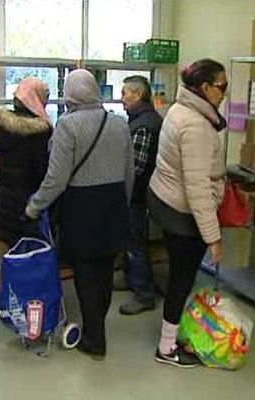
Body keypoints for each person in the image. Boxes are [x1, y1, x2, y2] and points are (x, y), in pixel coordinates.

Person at [25, 69, 134, 360]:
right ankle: (96, 330)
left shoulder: (67, 125)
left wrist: (34, 206)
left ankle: (94, 339)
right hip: (113, 205)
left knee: (85, 275)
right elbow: (129, 173)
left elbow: (56, 179)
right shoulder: (120, 124)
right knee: (105, 271)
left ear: (70, 93)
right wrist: (122, 205)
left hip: (82, 208)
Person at [148, 59, 227, 368]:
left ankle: (172, 334)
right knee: (181, 279)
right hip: (182, 211)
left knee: (178, 275)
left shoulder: (179, 110)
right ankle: (166, 348)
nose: (223, 93)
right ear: (204, 87)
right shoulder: (196, 126)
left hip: (165, 200)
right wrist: (214, 237)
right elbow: (196, 187)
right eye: (221, 86)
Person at [0, 77, 53, 261]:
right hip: (29, 208)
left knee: (7, 264)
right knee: (29, 265)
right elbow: (43, 173)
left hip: (3, 203)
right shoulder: (42, 131)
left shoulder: (1, 124)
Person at [114, 75, 162, 315]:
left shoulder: (145, 125)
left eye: (125, 94)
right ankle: (131, 279)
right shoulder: (139, 120)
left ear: (138, 95)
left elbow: (136, 167)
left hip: (137, 194)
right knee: (129, 238)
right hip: (134, 192)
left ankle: (144, 294)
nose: (122, 99)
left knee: (135, 243)